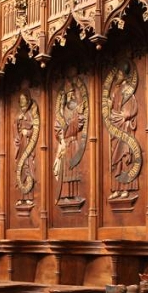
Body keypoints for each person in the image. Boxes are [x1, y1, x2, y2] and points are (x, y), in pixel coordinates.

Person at [107, 61, 140, 199]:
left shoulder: (128, 90)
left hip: (124, 126)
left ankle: (126, 188)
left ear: (125, 76)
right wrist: (110, 107)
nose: (117, 77)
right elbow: (112, 108)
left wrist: (124, 115)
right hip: (116, 125)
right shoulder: (115, 90)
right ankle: (116, 188)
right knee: (117, 159)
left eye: (119, 74)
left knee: (125, 157)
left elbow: (132, 108)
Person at [53, 74, 88, 204]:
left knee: (74, 168)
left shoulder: (76, 110)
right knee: (66, 170)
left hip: (73, 142)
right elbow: (58, 127)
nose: (72, 97)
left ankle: (75, 194)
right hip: (66, 144)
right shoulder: (62, 112)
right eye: (70, 95)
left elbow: (79, 125)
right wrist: (62, 136)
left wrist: (77, 116)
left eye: (73, 94)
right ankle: (66, 195)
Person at [13, 90, 39, 205]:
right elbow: (15, 130)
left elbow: (34, 129)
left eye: (24, 99)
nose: (22, 101)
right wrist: (18, 122)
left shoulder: (30, 114)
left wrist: (27, 132)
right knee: (20, 168)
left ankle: (28, 196)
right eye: (21, 100)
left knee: (27, 167)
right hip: (21, 144)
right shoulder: (19, 115)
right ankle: (20, 197)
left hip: (28, 144)